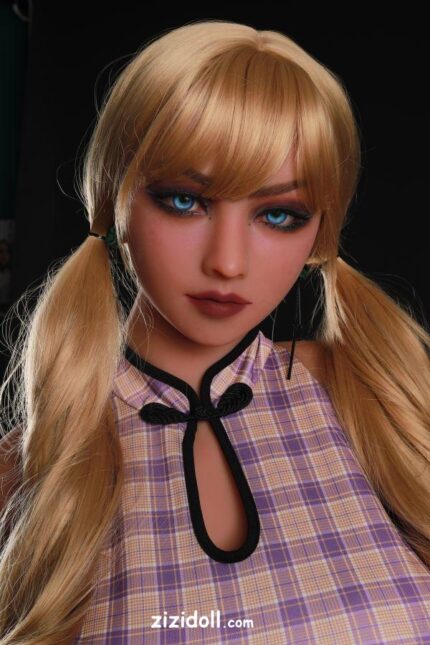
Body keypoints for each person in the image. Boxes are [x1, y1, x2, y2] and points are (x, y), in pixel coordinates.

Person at [1, 19, 430, 644]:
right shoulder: (38, 465)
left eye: (278, 214)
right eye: (184, 200)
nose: (228, 262)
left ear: (320, 230)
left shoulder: (385, 401)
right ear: (114, 198)